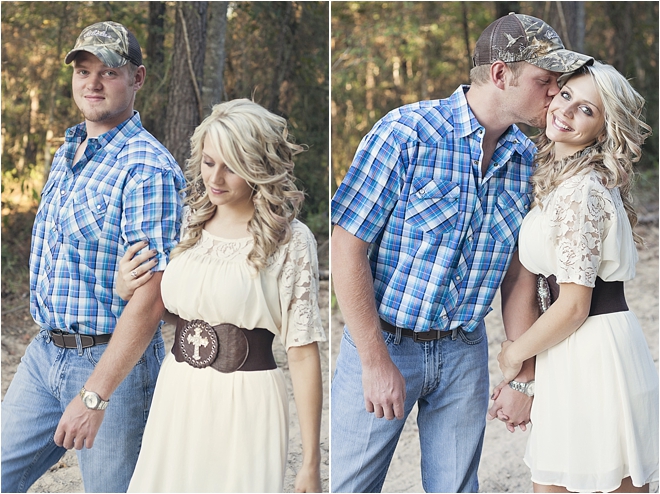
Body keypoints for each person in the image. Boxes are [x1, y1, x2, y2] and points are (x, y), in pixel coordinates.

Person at [330, 13, 594, 493]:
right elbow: (347, 245)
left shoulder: (527, 161)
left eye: (559, 83)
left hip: (463, 351)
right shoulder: (406, 133)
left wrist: (523, 379)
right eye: (544, 81)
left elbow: (518, 279)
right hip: (385, 341)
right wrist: (373, 360)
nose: (556, 93)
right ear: (500, 74)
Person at [1, 21, 185, 493]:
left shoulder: (146, 168)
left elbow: (150, 298)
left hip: (113, 368)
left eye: (109, 71)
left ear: (138, 78)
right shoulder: (68, 153)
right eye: (84, 71)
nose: (93, 83)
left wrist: (95, 396)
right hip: (44, 355)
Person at [114, 99, 326, 493]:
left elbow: (302, 350)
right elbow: (168, 306)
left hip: (246, 402)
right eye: (209, 162)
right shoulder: (187, 220)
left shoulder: (291, 240)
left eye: (231, 166)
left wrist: (310, 464)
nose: (216, 178)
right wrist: (124, 286)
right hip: (177, 393)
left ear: (258, 167)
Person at [496, 61, 659, 493]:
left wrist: (514, 357)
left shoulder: (581, 192)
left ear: (605, 129)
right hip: (569, 351)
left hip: (594, 355)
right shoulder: (559, 181)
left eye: (587, 110)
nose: (566, 112)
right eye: (566, 96)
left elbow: (572, 305)